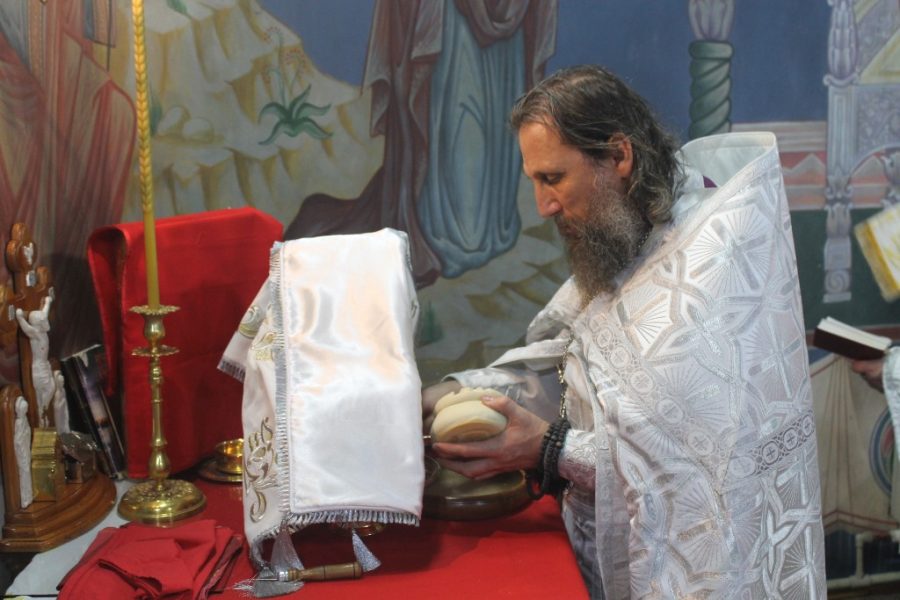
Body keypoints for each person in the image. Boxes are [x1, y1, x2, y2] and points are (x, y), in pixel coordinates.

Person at [423, 65, 826, 598]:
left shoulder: (706, 274)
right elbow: (570, 367)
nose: (543, 206)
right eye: (535, 181)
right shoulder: (629, 238)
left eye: (553, 178)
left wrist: (549, 448)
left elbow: (693, 475)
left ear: (618, 156)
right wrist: (452, 395)